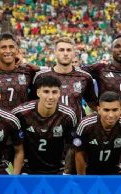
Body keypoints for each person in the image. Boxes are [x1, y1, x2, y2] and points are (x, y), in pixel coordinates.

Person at [29, 37, 98, 174]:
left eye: (68, 50)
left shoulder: (84, 77)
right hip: (48, 135)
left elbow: (94, 104)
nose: (65, 53)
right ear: (55, 52)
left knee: (75, 180)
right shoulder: (42, 76)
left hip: (76, 137)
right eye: (61, 50)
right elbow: (31, 104)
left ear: (74, 54)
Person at [12, 75, 77, 174]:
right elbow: (13, 145)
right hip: (27, 169)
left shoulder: (68, 115)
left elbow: (72, 147)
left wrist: (66, 172)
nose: (50, 97)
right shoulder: (20, 113)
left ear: (59, 93)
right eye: (46, 92)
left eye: (54, 92)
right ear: (38, 92)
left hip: (58, 170)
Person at [74, 91, 121, 175]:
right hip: (89, 172)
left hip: (117, 172)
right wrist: (82, 180)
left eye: (115, 110)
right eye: (106, 110)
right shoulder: (85, 125)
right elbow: (79, 154)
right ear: (99, 110)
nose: (111, 115)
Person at [0, 32, 38, 111]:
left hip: (22, 121)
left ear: (17, 50)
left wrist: (36, 67)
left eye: (11, 47)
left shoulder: (27, 71)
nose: (8, 51)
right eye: (3, 47)